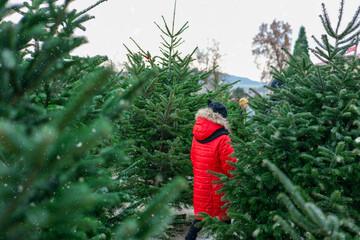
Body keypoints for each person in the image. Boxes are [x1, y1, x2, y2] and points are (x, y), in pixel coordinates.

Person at [185, 99, 237, 240]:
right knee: (225, 220)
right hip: (218, 188)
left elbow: (194, 159)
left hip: (201, 185)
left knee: (199, 219)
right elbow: (231, 166)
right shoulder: (223, 138)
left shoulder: (197, 135)